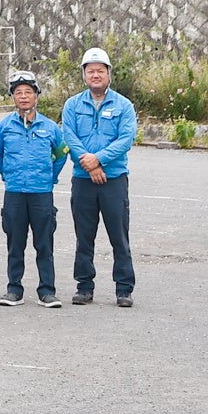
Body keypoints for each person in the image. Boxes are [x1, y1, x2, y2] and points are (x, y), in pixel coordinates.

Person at [61, 46, 139, 308]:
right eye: (90, 71)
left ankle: (124, 288)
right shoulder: (72, 105)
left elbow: (126, 139)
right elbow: (70, 137)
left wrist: (100, 159)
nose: (95, 75)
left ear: (109, 74)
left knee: (119, 235)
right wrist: (90, 165)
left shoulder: (123, 105)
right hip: (83, 179)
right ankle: (84, 287)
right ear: (84, 75)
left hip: (114, 179)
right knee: (85, 236)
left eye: (100, 71)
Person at [0, 70, 68, 309]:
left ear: (36, 95)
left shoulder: (50, 127)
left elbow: (61, 153)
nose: (23, 97)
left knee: (44, 243)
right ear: (12, 97)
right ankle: (14, 289)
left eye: (28, 92)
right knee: (15, 243)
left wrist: (49, 177)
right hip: (14, 193)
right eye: (18, 92)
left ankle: (47, 291)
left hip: (41, 193)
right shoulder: (4, 127)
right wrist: (10, 176)